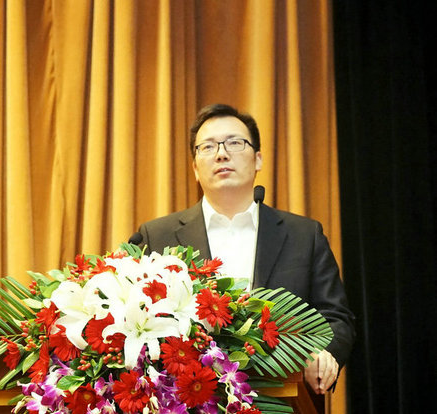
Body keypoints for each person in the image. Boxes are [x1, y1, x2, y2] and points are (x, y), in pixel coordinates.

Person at [134, 103, 355, 395]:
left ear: (258, 159)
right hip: (187, 397)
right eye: (208, 147)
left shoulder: (303, 235)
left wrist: (324, 353)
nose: (222, 154)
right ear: (195, 168)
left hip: (281, 397)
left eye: (235, 143)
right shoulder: (157, 236)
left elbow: (336, 317)